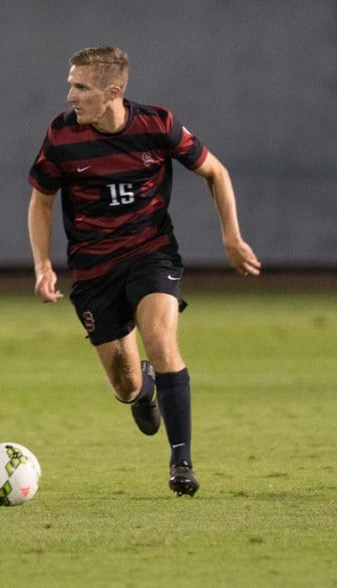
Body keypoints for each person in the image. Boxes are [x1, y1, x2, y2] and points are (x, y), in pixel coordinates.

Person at [27, 46, 261, 496]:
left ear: (113, 92)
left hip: (151, 253)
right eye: (70, 85)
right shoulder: (61, 137)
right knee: (124, 383)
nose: (70, 96)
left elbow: (217, 173)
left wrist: (231, 237)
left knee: (160, 335)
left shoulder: (158, 126)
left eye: (81, 87)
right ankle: (143, 390)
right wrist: (42, 264)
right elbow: (41, 200)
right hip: (94, 269)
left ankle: (181, 462)